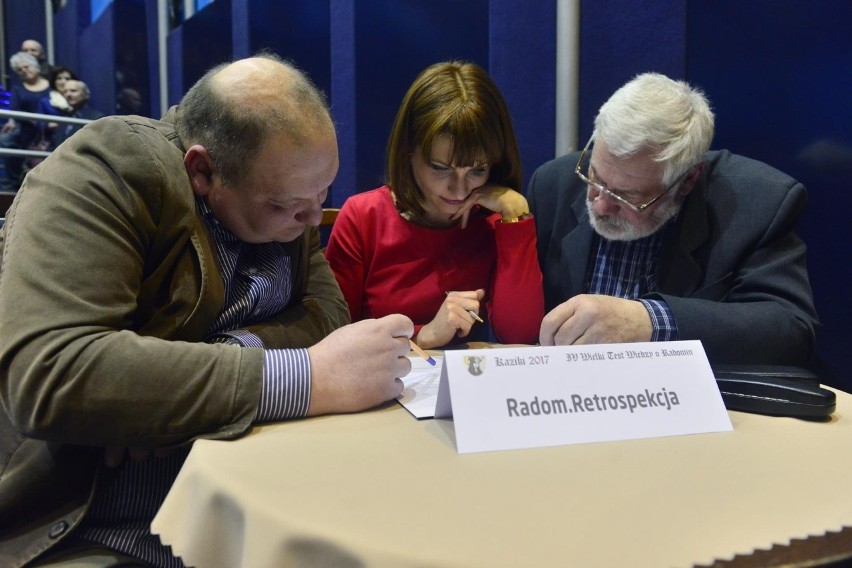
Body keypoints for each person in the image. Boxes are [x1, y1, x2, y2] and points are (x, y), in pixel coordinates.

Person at [0, 54, 412, 567]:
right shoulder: (106, 168)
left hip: (239, 497)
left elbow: (327, 315)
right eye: (286, 206)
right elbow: (53, 374)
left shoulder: (286, 198)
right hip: (91, 525)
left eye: (323, 193)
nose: (312, 220)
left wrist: (174, 392)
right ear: (203, 171)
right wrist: (309, 377)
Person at [528, 72, 818, 366]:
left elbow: (791, 330)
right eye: (595, 178)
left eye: (628, 197)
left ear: (688, 180)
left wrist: (650, 320)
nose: (601, 205)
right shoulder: (553, 184)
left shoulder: (758, 203)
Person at [325, 61, 543, 349]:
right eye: (441, 168)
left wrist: (516, 215)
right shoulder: (364, 217)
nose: (460, 189)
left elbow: (520, 336)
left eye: (477, 170)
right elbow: (334, 340)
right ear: (408, 152)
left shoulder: (495, 223)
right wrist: (423, 335)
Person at [0, 52, 58, 189]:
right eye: (19, 70)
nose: (23, 71)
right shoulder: (18, 89)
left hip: (49, 129)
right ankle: (13, 184)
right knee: (5, 142)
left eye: (26, 67)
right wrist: (11, 123)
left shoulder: (51, 86)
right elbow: (13, 112)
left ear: (35, 66)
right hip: (27, 130)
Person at [51, 79, 105, 148]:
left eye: (73, 91)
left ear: (86, 95)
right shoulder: (64, 117)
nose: (68, 94)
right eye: (65, 92)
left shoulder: (96, 118)